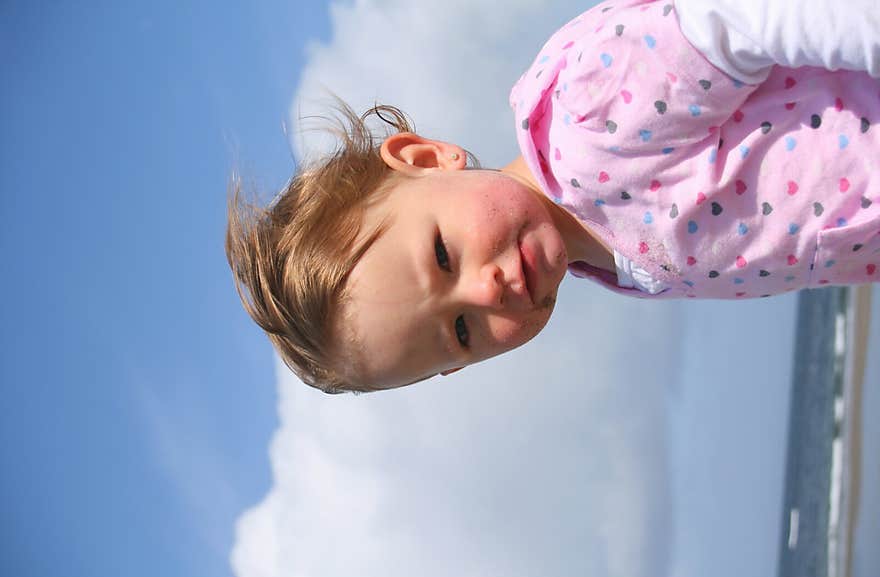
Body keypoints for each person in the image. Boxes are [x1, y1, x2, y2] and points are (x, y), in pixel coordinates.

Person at [226, 0, 880, 394]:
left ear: (426, 159)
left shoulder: (587, 121)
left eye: (443, 256)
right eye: (459, 331)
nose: (486, 292)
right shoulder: (613, 258)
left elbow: (745, 17)